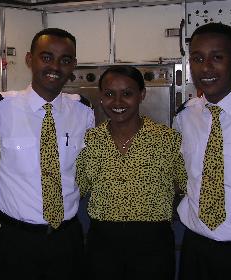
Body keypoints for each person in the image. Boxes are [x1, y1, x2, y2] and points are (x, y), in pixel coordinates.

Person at [0, 28, 94, 280]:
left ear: (73, 65)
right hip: (14, 239)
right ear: (29, 59)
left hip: (66, 237)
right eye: (46, 57)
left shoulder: (83, 113)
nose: (55, 66)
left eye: (65, 60)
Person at [76, 65, 187, 280]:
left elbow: (186, 184)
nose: (117, 102)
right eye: (109, 94)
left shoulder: (167, 139)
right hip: (103, 244)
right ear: (101, 97)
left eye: (127, 94)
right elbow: (77, 187)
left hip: (153, 245)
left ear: (142, 95)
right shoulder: (90, 140)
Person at [173, 23, 231, 280]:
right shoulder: (185, 117)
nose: (206, 67)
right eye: (197, 58)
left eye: (217, 57)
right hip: (196, 247)